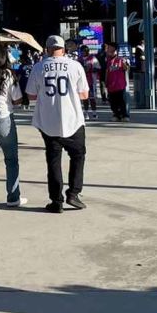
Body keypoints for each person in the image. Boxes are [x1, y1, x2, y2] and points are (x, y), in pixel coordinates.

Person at [26, 35, 90, 213]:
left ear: (47, 49)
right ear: (64, 49)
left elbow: (31, 95)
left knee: (53, 160)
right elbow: (84, 94)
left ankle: (56, 200)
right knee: (78, 156)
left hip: (48, 120)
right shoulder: (75, 66)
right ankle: (74, 193)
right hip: (73, 119)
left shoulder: (39, 67)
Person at [0, 44, 26, 208]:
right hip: (4, 118)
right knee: (11, 159)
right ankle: (13, 196)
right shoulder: (8, 74)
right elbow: (17, 100)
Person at [103, 42, 129, 122]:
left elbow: (126, 68)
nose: (108, 50)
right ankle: (116, 115)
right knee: (112, 101)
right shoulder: (107, 60)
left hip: (119, 85)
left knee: (121, 101)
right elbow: (107, 72)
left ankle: (124, 115)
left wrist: (125, 63)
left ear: (114, 49)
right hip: (111, 85)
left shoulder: (120, 59)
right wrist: (106, 82)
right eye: (108, 48)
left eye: (109, 48)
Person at [79, 45, 101, 120]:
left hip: (91, 81)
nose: (83, 52)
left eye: (85, 51)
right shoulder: (79, 59)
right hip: (82, 81)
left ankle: (94, 113)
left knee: (92, 98)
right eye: (82, 51)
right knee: (85, 98)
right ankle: (86, 113)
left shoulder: (93, 58)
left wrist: (92, 70)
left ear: (87, 51)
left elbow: (98, 68)